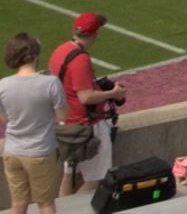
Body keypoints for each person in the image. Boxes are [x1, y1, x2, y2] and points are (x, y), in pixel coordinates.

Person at [51, 13, 123, 198]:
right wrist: (113, 93)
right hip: (86, 127)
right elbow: (86, 96)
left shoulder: (60, 50)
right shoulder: (80, 59)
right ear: (94, 34)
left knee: (69, 175)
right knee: (96, 179)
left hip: (66, 124)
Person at [1, 31, 65, 214]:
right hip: (40, 151)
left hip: (13, 151)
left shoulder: (3, 84)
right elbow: (62, 117)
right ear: (35, 55)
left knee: (18, 204)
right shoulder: (50, 83)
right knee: (45, 204)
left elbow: (5, 119)